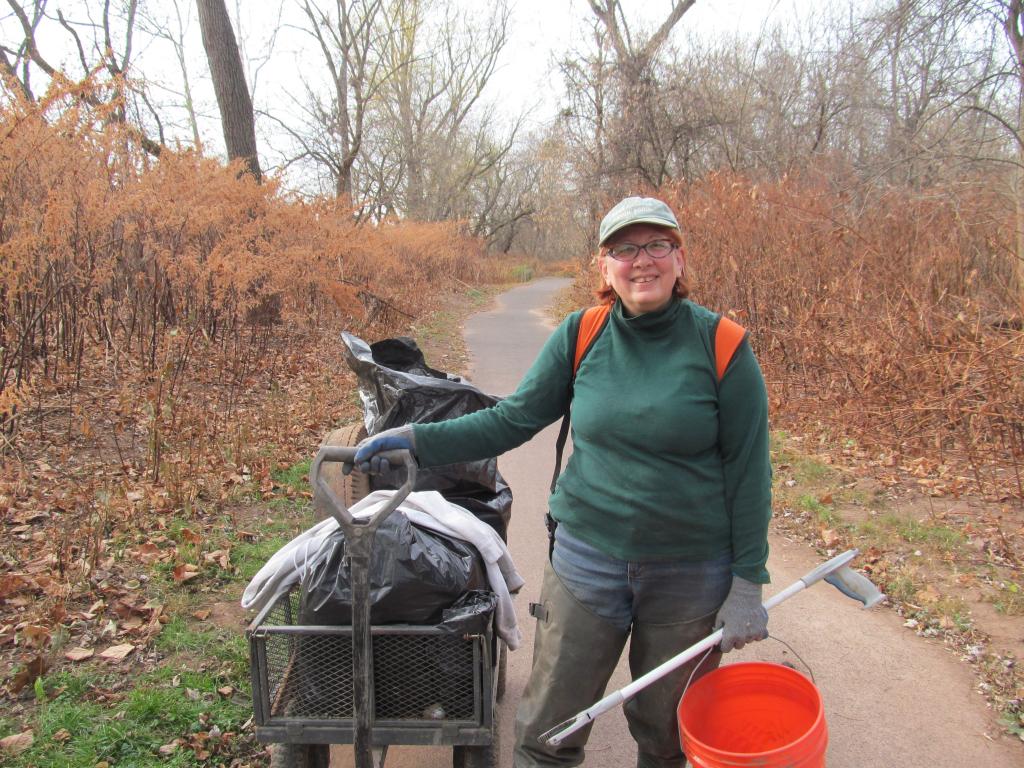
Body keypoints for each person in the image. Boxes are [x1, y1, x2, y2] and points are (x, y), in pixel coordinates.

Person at [346, 196, 772, 768]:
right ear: (605, 266)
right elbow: (512, 419)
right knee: (549, 728)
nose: (641, 261)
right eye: (624, 249)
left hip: (691, 575)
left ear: (679, 258)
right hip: (588, 562)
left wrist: (748, 583)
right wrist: (418, 440)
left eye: (656, 245)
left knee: (667, 734)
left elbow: (750, 471)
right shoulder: (583, 334)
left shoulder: (722, 345)